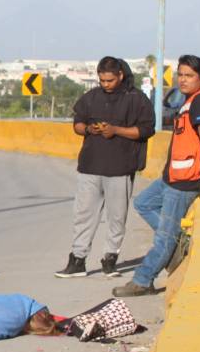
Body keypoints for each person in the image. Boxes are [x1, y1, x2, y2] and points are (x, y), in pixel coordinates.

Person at [114, 54, 200, 297]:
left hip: (186, 180)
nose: (183, 80)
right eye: (181, 75)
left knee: (164, 236)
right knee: (143, 203)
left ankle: (143, 280)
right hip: (172, 176)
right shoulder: (189, 100)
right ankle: (175, 241)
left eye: (190, 76)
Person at [55, 57, 155, 279]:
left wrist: (116, 130)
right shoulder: (91, 97)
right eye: (102, 80)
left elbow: (146, 130)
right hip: (90, 166)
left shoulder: (137, 99)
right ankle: (77, 260)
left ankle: (110, 259)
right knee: (83, 215)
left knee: (116, 217)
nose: (105, 84)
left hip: (121, 168)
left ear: (120, 75)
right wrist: (89, 129)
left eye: (109, 80)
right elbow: (77, 124)